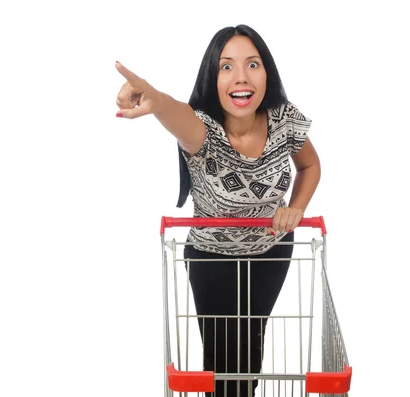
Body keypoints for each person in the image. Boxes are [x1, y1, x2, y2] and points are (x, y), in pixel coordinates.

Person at [115, 24, 321, 397]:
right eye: (227, 66)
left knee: (252, 343)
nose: (241, 77)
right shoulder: (202, 130)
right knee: (222, 350)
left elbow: (310, 166)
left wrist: (295, 209)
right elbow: (174, 112)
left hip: (272, 251)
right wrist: (155, 99)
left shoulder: (284, 118)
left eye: (252, 64)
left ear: (267, 72)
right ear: (213, 76)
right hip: (212, 256)